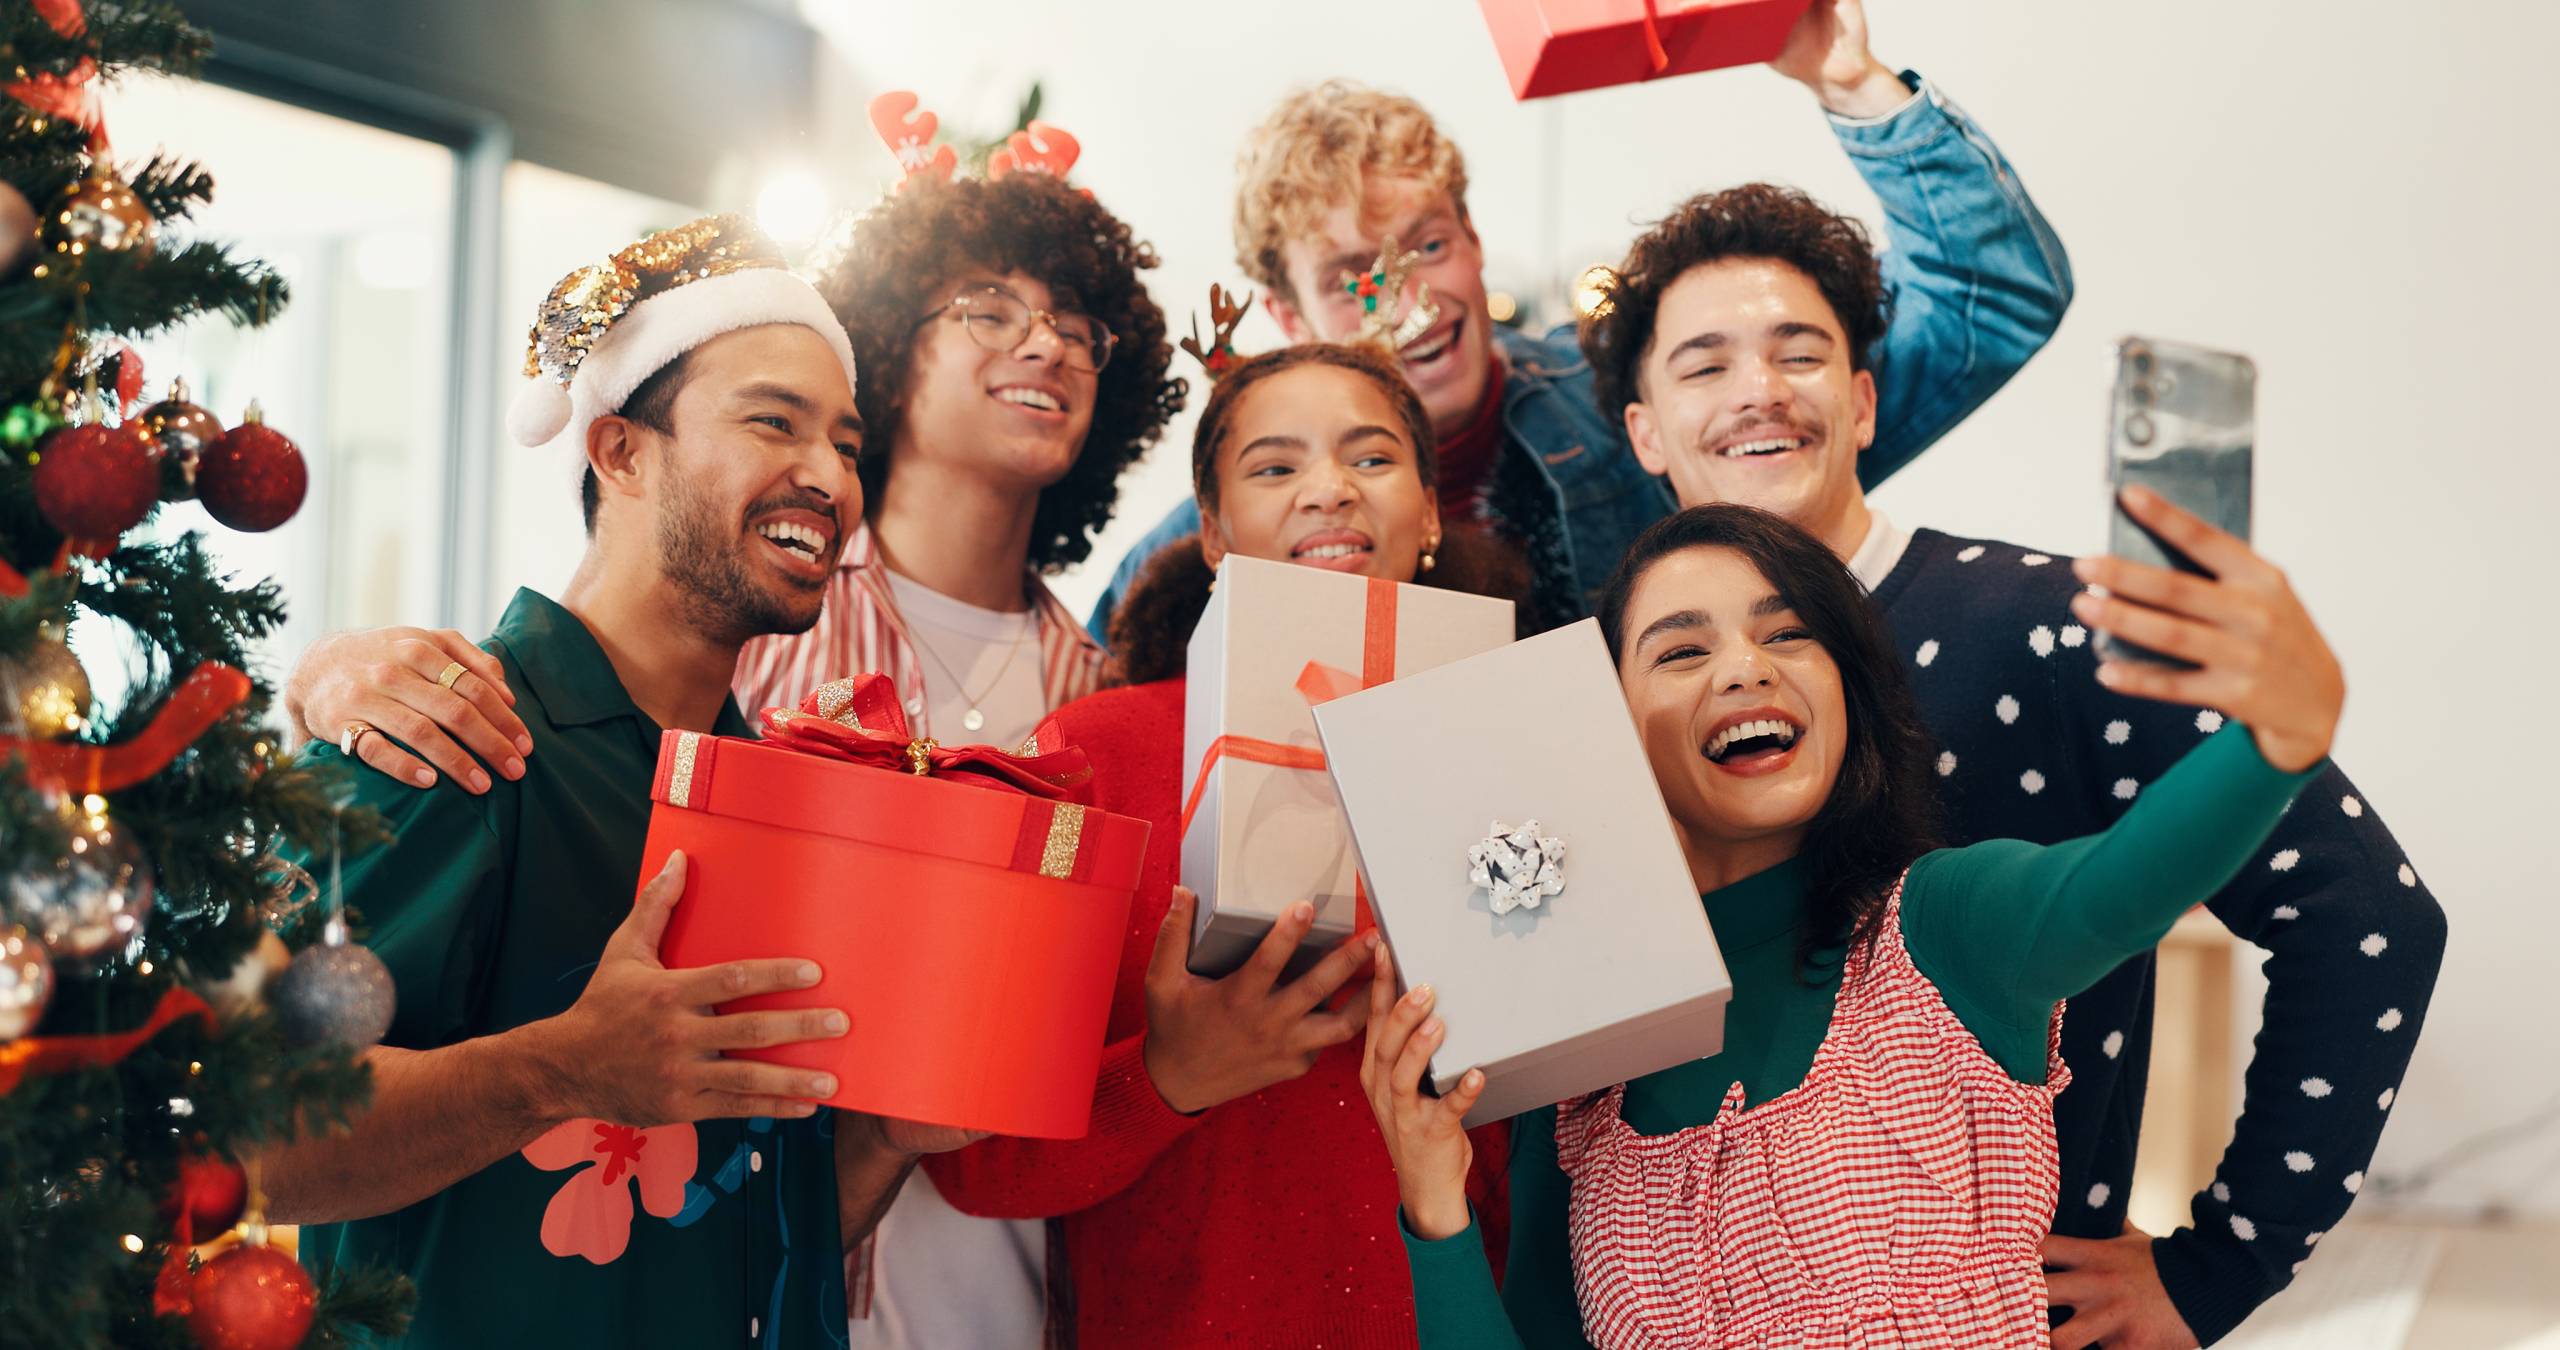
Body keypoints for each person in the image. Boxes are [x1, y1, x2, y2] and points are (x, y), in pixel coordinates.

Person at [279, 163, 1185, 1349]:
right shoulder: (454, 733)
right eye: (773, 420)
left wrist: (888, 1139)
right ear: (618, 452)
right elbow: (256, 1136)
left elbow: (774, 1222)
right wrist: (558, 1070)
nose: (827, 474)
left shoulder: (784, 802)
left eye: (846, 441)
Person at [1571, 184, 2447, 1346]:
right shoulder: (1584, 697)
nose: (1759, 390)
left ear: (1865, 400)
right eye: (1704, 363)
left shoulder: (2044, 627)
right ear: (1641, 430)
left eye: (1801, 352)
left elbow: (2369, 918)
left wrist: (2227, 1260)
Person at [1369, 500, 2361, 1347]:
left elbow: (2116, 887)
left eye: (1787, 632)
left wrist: (2278, 740)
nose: (1743, 668)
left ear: (1848, 691)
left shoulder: (1940, 930)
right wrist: (1436, 1202)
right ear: (1607, 729)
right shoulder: (1583, 1051)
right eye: (1680, 650)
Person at [1089, 0, 2074, 635]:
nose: (1414, 302)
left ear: (1473, 242)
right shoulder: (1212, 535)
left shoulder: (1644, 410)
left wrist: (1849, 81)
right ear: (1283, 311)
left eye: (1429, 245)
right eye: (1354, 275)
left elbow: (1993, 298)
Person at [922, 341, 1525, 1347]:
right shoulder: (1092, 760)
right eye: (1275, 467)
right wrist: (1166, 1079)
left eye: (1371, 458)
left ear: (1427, 512)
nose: (1327, 491)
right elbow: (970, 1160)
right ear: (1212, 533)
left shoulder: (1520, 750)